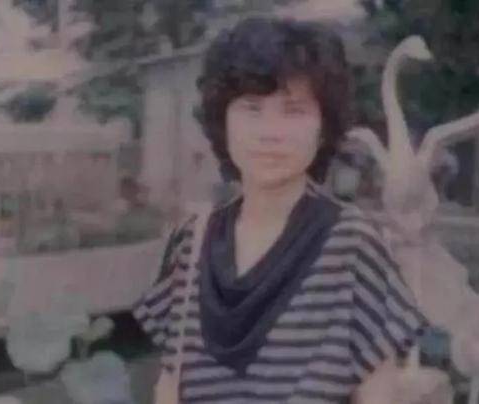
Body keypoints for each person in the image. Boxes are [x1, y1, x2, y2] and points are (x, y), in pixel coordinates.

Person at [132, 16, 427, 403]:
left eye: (294, 110)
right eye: (252, 109)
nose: (271, 132)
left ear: (323, 127)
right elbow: (169, 385)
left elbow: (379, 395)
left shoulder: (351, 244)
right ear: (223, 121)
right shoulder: (193, 240)